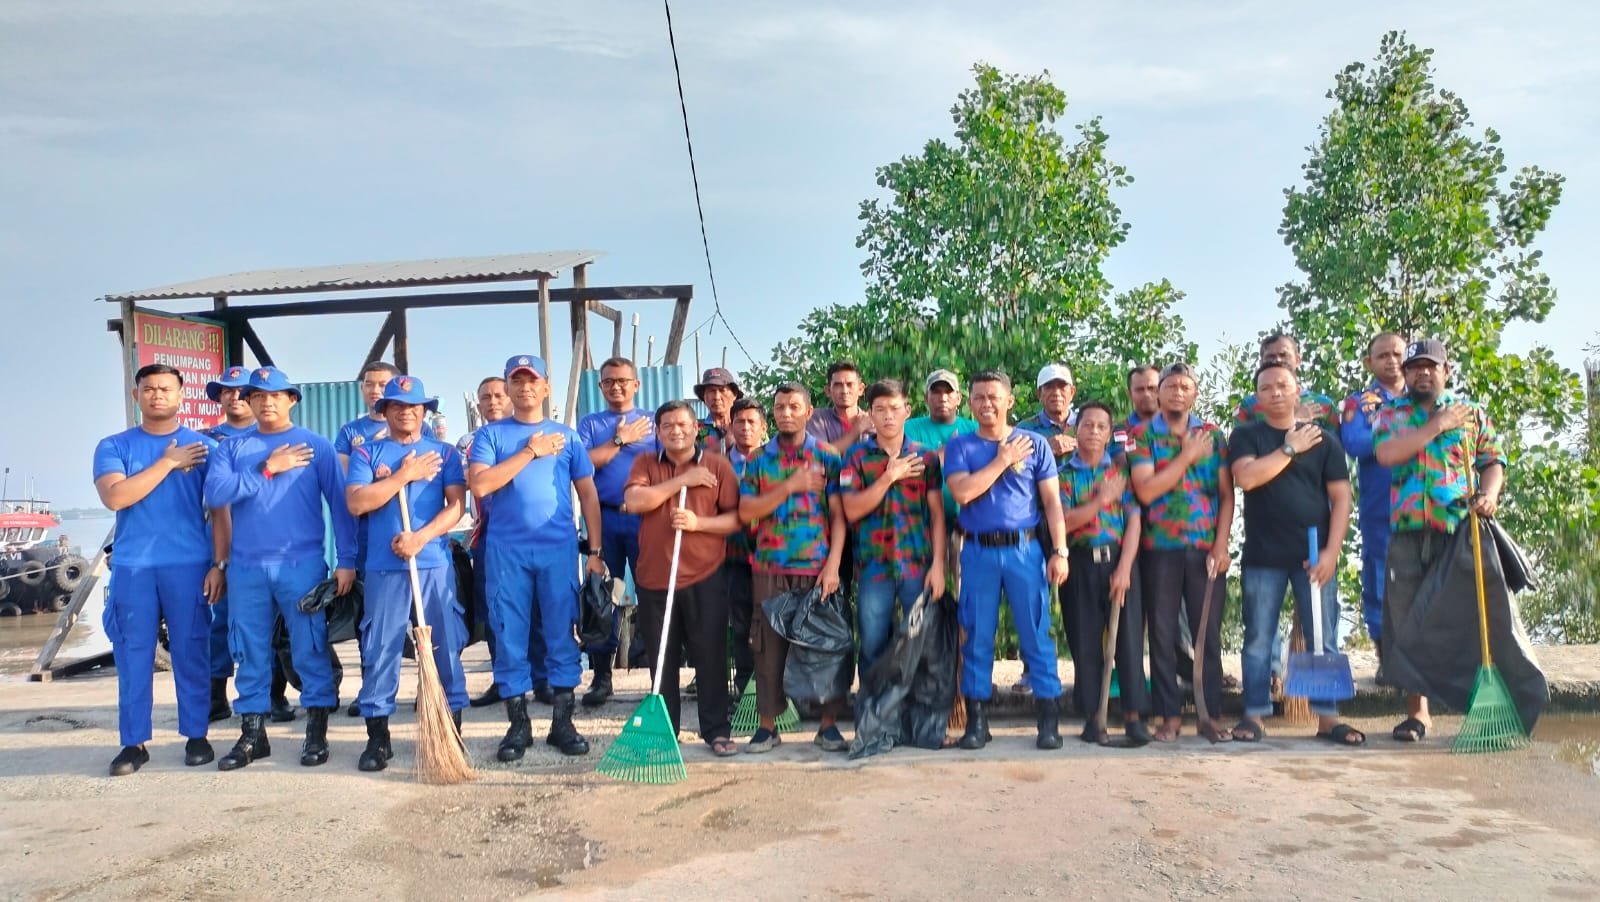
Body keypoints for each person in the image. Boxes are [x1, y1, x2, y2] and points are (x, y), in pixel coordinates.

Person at [204, 366, 357, 770]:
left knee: (309, 646)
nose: (266, 402)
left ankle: (317, 733)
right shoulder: (232, 449)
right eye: (257, 396)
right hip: (246, 568)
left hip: (301, 564)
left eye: (275, 396)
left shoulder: (316, 446)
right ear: (248, 401)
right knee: (249, 650)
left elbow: (341, 507)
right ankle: (253, 735)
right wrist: (268, 468)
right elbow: (216, 493)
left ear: (291, 399)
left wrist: (347, 562)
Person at [93, 364, 229, 775]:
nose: (157, 395)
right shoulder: (114, 446)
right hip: (134, 568)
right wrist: (168, 463)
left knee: (191, 650)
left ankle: (197, 734)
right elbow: (116, 497)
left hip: (188, 565)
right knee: (132, 654)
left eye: (165, 389)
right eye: (148, 389)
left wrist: (219, 564)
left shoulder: (205, 447)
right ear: (136, 396)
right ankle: (134, 743)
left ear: (181, 396)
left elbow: (221, 513)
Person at [468, 354, 606, 759]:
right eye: (517, 380)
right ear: (508, 389)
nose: (525, 387)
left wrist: (594, 551)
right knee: (509, 632)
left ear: (546, 387)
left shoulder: (567, 437)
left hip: (558, 549)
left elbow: (589, 494)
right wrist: (530, 452)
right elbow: (480, 485)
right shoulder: (490, 436)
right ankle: (518, 725)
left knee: (562, 633)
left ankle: (563, 723)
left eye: (533, 380)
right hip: (506, 551)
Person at [1373, 338, 1505, 743]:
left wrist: (1490, 494)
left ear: (1447, 371)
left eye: (1431, 366)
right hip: (1408, 532)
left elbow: (1493, 461)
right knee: (1410, 620)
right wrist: (1436, 426)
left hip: (1459, 531)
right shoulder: (1392, 414)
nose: (1422, 373)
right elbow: (1387, 455)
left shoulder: (1471, 414)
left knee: (1467, 618)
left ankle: (1479, 714)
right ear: (1406, 374)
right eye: (1414, 367)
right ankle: (1418, 715)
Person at [1229, 362, 1362, 745]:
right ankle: (1254, 715)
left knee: (1324, 636)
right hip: (1262, 555)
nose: (1275, 392)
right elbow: (1248, 478)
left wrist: (1332, 552)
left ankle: (1327, 718)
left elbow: (1341, 497)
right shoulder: (1246, 435)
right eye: (1266, 387)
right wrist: (1290, 447)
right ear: (1257, 396)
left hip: (1314, 556)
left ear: (1297, 390)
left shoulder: (1323, 440)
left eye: (1283, 385)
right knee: (1257, 638)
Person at [345, 375, 469, 771]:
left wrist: (421, 537)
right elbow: (357, 503)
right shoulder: (367, 454)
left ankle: (450, 730)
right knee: (380, 648)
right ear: (384, 410)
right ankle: (378, 736)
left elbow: (456, 507)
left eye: (414, 406)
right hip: (385, 567)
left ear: (424, 411)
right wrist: (402, 477)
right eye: (397, 405)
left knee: (444, 646)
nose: (406, 412)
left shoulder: (445, 454)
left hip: (431, 563)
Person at [945, 371, 1070, 751]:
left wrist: (1059, 551)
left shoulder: (1034, 444)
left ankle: (1048, 721)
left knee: (1036, 633)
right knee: (977, 635)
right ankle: (977, 723)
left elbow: (1051, 503)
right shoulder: (960, 446)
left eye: (994, 397)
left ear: (1010, 401)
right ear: (970, 403)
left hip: (1025, 551)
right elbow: (963, 493)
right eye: (979, 397)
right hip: (978, 551)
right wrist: (1001, 461)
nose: (987, 403)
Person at [623, 400, 742, 755]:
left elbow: (735, 519)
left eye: (682, 424)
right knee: (663, 661)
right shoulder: (645, 463)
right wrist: (682, 481)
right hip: (655, 579)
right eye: (668, 426)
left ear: (695, 429)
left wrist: (697, 523)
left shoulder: (718, 465)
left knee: (710, 656)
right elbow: (635, 501)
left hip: (704, 576)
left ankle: (716, 731)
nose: (676, 430)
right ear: (658, 433)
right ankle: (666, 733)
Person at [738, 382, 848, 753]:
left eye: (793, 406)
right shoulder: (758, 460)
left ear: (808, 411)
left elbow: (839, 517)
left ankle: (828, 725)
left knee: (824, 646)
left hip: (817, 567)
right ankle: (768, 726)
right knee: (768, 647)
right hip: (770, 565)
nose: (786, 413)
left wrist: (833, 566)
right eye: (780, 406)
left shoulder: (829, 457)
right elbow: (746, 512)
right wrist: (790, 485)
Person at [1130, 362, 1235, 744]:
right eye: (1169, 386)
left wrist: (1221, 544)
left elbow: (1226, 496)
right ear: (1158, 393)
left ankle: (1209, 715)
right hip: (1159, 548)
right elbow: (1146, 490)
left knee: (1206, 632)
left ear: (1194, 394)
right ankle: (1169, 716)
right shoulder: (1142, 437)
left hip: (1205, 548)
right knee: (1160, 634)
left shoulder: (1213, 436)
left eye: (1184, 386)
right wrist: (1186, 457)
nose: (1176, 392)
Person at [1057, 401, 1150, 745]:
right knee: (1084, 642)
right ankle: (1093, 717)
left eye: (1101, 426)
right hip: (1078, 564)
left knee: (1127, 640)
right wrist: (1099, 502)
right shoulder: (1062, 475)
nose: (1094, 432)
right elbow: (1064, 522)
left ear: (1110, 433)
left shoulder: (1121, 474)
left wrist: (1125, 568)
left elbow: (1135, 522)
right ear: (1075, 430)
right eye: (1087, 425)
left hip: (1119, 561)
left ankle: (1133, 717)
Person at [840, 379, 946, 678]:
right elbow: (851, 509)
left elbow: (937, 516)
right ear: (870, 415)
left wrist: (938, 565)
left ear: (907, 411)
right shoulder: (855, 458)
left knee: (922, 644)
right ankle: (876, 721)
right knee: (873, 647)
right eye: (880, 409)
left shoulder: (924, 457)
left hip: (917, 566)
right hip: (874, 568)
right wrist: (889, 477)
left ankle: (916, 719)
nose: (888, 416)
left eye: (895, 408)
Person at [575, 357, 658, 708]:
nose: (616, 387)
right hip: (605, 519)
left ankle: (660, 675)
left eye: (623, 380)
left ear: (636, 384)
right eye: (608, 381)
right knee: (600, 596)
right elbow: (582, 463)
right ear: (601, 387)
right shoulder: (590, 424)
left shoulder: (655, 422)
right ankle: (601, 676)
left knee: (653, 594)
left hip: (647, 520)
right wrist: (621, 440)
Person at [457, 376, 537, 708]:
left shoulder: (531, 434)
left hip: (532, 534)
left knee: (539, 609)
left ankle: (542, 679)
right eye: (485, 397)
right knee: (496, 612)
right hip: (488, 535)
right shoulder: (468, 442)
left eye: (498, 394)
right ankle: (503, 679)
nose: (492, 401)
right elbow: (475, 483)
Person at [1340, 332, 1407, 664]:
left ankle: (1427, 662)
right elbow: (1355, 444)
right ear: (1370, 362)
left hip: (1426, 507)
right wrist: (1408, 436)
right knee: (1379, 580)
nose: (1391, 360)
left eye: (1397, 353)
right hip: (1381, 507)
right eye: (1383, 355)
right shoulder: (1360, 403)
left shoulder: (1425, 398)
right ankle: (1386, 658)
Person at [200, 365, 256, 723]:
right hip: (216, 539)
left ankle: (273, 695)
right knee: (217, 618)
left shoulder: (273, 436)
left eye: (240, 390)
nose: (233, 396)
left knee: (265, 622)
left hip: (262, 538)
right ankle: (216, 696)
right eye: (226, 390)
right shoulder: (203, 441)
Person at [1022, 363, 1078, 691]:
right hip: (1038, 521)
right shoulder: (1026, 430)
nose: (1056, 393)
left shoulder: (1088, 423)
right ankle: (1034, 670)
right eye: (1049, 388)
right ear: (1039, 393)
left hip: (1084, 521)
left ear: (1072, 391)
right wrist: (1048, 449)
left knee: (1080, 600)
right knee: (1034, 599)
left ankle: (1093, 670)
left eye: (1062, 387)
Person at [723, 396, 767, 698]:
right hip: (732, 556)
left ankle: (775, 690)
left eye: (752, 422)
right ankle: (744, 689)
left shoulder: (773, 461)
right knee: (740, 625)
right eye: (740, 421)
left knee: (772, 624)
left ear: (764, 427)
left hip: (772, 556)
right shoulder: (718, 463)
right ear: (731, 425)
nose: (746, 427)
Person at [1233, 334, 1339, 431]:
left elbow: (1335, 449)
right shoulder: (1247, 406)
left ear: (1298, 360)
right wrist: (1295, 421)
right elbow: (1241, 448)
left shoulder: (1324, 404)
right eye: (1271, 357)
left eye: (1284, 355)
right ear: (1261, 363)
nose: (1278, 360)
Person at [807, 361, 874, 452]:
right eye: (838, 385)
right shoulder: (817, 418)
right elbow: (819, 455)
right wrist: (856, 430)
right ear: (828, 391)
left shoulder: (872, 420)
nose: (844, 391)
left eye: (850, 385)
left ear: (861, 389)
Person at [693, 367, 743, 454]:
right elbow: (688, 463)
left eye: (722, 390)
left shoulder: (749, 425)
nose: (716, 397)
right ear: (704, 397)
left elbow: (765, 456)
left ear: (734, 395)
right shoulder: (694, 430)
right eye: (711, 391)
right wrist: (726, 442)